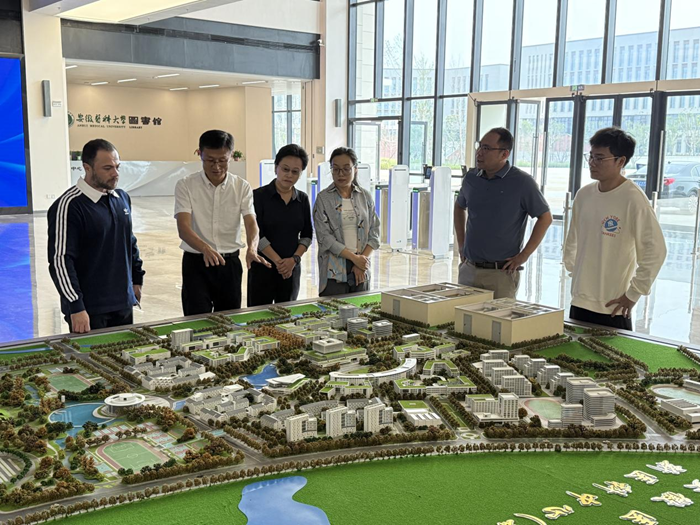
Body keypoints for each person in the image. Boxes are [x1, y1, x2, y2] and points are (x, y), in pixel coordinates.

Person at [564, 127, 667, 330]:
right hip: (580, 300)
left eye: (600, 158)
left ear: (620, 161)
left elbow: (655, 251)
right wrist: (577, 276)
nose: (592, 163)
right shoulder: (584, 195)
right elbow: (572, 242)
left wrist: (633, 294)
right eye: (591, 156)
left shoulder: (633, 199)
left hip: (613, 306)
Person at [47, 139, 145, 333]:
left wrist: (136, 280)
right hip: (90, 309)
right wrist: (76, 306)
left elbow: (129, 242)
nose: (115, 173)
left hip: (123, 303)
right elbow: (60, 261)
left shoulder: (122, 198)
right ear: (87, 168)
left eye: (117, 167)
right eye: (107, 168)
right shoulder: (69, 205)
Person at [174, 130, 269, 315]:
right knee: (196, 320)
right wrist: (205, 248)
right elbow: (183, 228)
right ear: (199, 154)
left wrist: (252, 248)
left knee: (229, 320)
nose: (216, 166)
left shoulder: (241, 186)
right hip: (196, 262)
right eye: (210, 160)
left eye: (222, 160)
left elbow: (251, 223)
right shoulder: (186, 185)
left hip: (229, 264)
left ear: (231, 156)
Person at [454, 127, 552, 299]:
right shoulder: (471, 178)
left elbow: (545, 218)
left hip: (501, 274)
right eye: (479, 146)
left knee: (499, 317)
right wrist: (461, 244)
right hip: (469, 269)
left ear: (504, 154)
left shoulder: (522, 182)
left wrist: (523, 256)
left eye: (486, 148)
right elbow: (459, 207)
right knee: (463, 316)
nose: (479, 152)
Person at [247, 144, 313, 306]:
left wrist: (294, 260)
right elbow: (257, 234)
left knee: (287, 315)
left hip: (291, 270)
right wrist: (279, 262)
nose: (289, 175)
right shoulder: (258, 196)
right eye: (285, 169)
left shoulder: (302, 199)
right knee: (258, 315)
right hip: (263, 268)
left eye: (295, 171)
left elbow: (307, 235)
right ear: (276, 168)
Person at [314, 147, 380, 296]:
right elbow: (324, 238)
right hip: (334, 270)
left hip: (361, 267)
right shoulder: (323, 198)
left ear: (355, 169)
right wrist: (354, 258)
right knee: (333, 309)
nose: (341, 174)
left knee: (362, 308)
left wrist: (361, 262)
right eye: (336, 169)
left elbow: (375, 232)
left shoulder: (365, 197)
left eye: (346, 169)